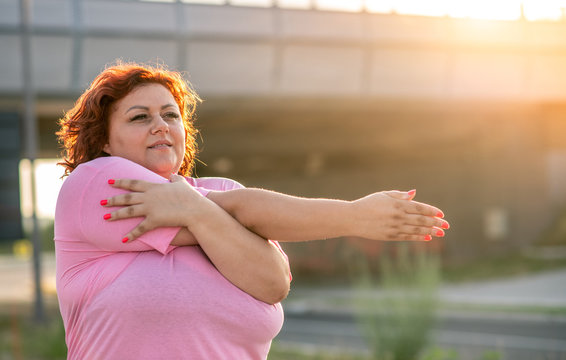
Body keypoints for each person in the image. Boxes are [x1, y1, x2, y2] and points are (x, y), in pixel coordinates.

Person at [54, 61, 449, 360]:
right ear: (104, 140)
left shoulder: (223, 191)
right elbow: (244, 209)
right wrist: (355, 216)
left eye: (170, 114)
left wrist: (192, 208)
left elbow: (272, 283)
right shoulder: (94, 183)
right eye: (140, 117)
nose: (160, 125)